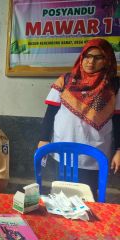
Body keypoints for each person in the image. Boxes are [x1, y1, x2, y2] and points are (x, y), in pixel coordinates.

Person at [37, 38, 120, 199]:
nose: (91, 61)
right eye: (87, 56)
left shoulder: (113, 86)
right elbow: (50, 112)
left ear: (107, 59)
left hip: (95, 150)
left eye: (98, 57)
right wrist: (43, 138)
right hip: (63, 146)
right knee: (61, 193)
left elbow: (118, 120)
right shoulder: (66, 80)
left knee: (89, 196)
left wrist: (119, 150)